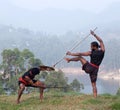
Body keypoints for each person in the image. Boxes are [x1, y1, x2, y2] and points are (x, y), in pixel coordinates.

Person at [65, 30, 105, 98]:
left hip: (89, 67)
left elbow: (80, 54)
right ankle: (95, 98)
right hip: (95, 69)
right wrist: (94, 34)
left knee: (80, 58)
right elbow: (101, 41)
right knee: (94, 85)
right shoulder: (102, 51)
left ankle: (69, 60)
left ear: (94, 47)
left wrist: (71, 54)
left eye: (91, 46)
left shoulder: (91, 53)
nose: (90, 47)